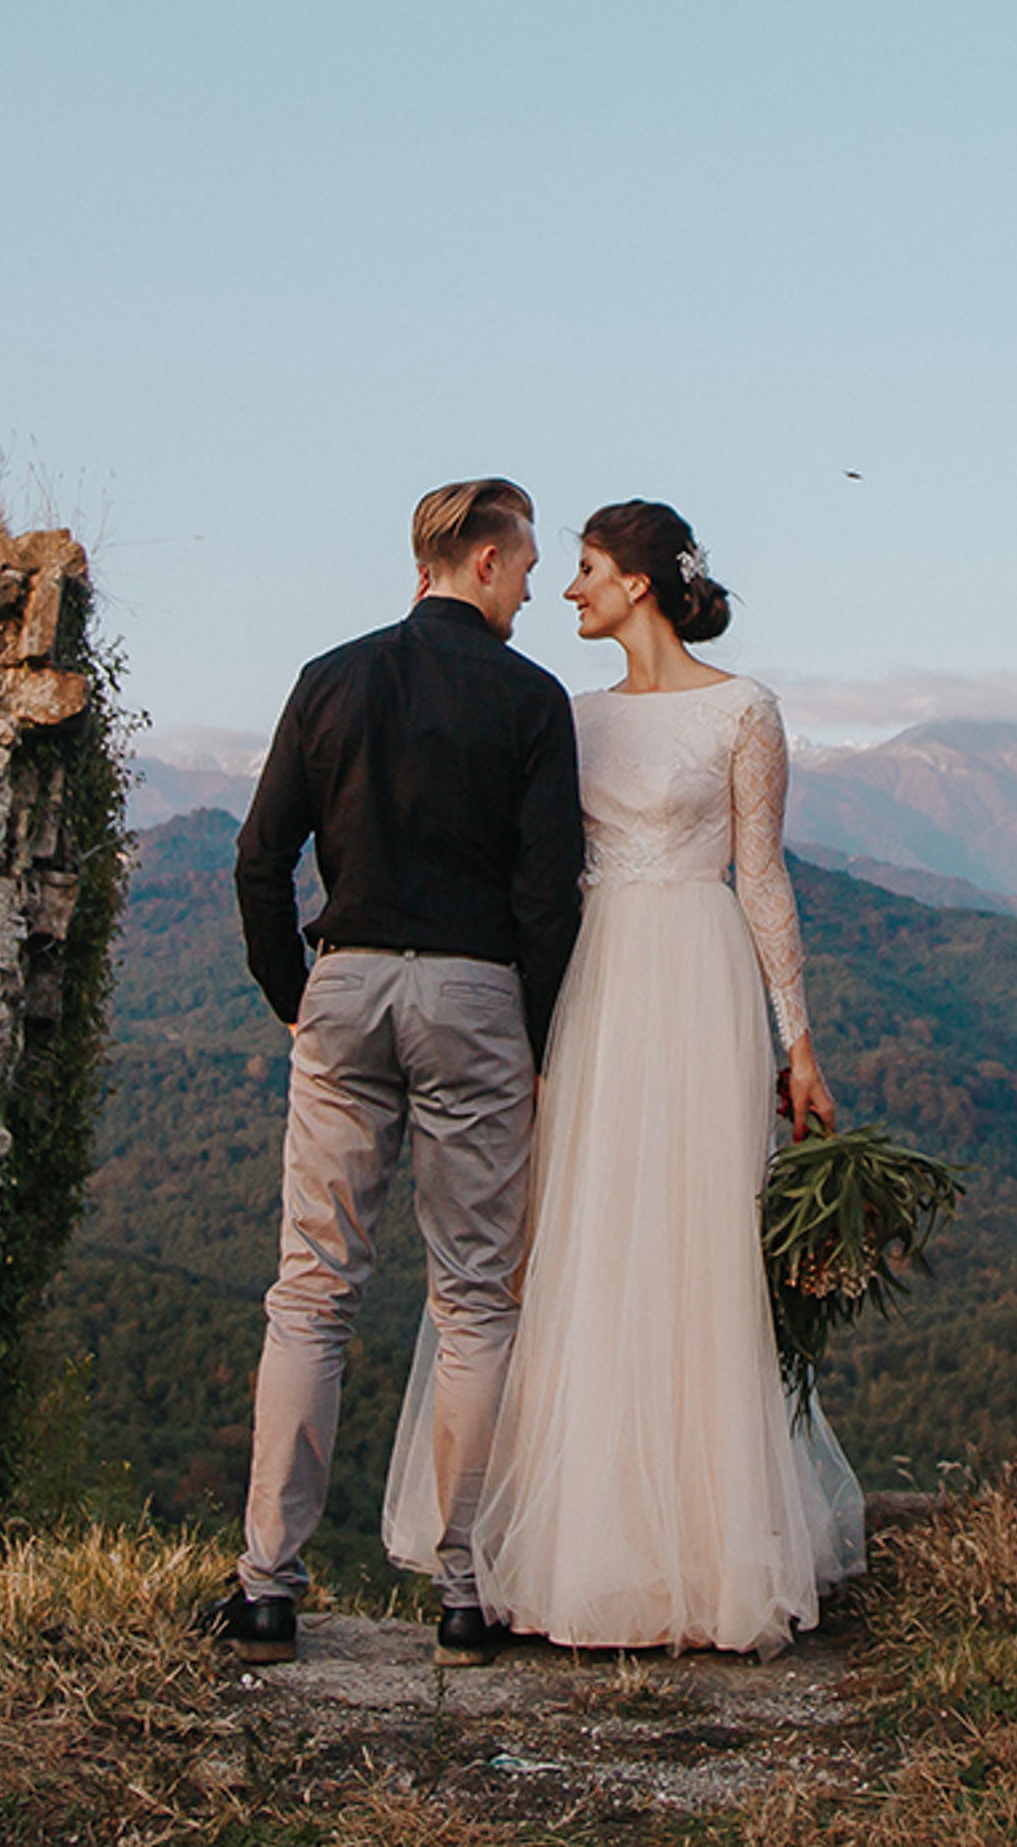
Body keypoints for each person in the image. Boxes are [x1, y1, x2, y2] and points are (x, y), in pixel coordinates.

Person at [384, 499, 865, 1656]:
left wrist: (796, 1042)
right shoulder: (569, 715)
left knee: (698, 1241)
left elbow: (764, 879)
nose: (568, 590)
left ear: (640, 583)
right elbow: (536, 874)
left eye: (588, 569)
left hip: (701, 983)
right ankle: (580, 1543)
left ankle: (702, 1549)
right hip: (593, 985)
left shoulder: (745, 710)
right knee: (582, 1235)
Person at [210, 478, 583, 1670]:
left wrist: (297, 1002)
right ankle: (464, 1592)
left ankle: (268, 1587)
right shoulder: (531, 699)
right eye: (524, 561)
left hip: (348, 984)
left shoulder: (330, 677)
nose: (533, 583)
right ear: (479, 560)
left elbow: (260, 860)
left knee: (312, 1293)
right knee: (475, 1296)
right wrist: (529, 1035)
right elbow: (548, 893)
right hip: (475, 993)